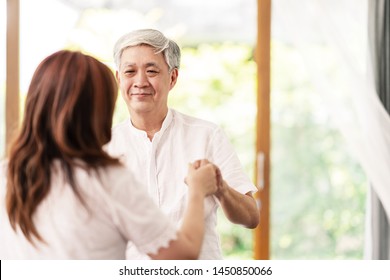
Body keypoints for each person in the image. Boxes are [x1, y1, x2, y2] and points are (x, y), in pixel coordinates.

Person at [0, 50, 220, 260]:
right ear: (97, 111)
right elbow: (183, 254)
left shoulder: (6, 174)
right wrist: (198, 190)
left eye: (151, 71)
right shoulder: (106, 179)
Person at [107, 29, 260, 260]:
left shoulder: (207, 135)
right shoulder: (102, 147)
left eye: (151, 71)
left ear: (172, 78)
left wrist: (221, 188)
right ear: (119, 79)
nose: (140, 81)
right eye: (130, 71)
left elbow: (251, 217)